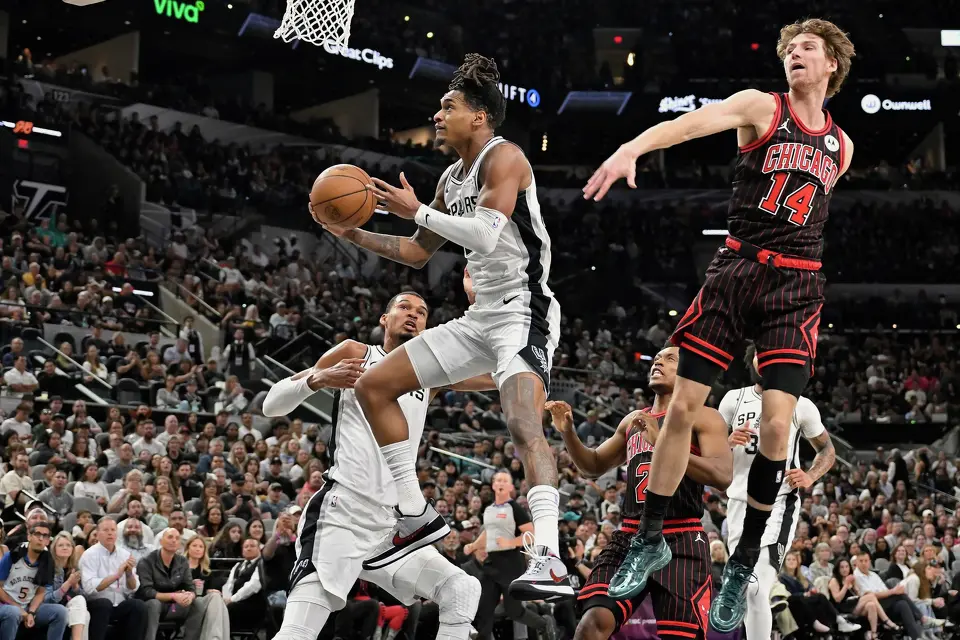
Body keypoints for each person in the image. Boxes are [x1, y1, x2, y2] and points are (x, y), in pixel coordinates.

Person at [582, 18, 856, 633]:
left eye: (806, 48)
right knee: (680, 410)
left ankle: (743, 562)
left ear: (831, 63)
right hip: (736, 271)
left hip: (797, 284)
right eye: (788, 49)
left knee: (779, 425)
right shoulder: (762, 107)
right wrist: (633, 148)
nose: (794, 56)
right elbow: (687, 124)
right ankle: (649, 537)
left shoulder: (841, 145)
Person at [331, 52, 569, 599]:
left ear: (479, 116)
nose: (437, 115)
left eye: (447, 106)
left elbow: (485, 236)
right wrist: (353, 235)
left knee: (520, 420)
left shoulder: (503, 157)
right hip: (480, 315)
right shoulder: (449, 176)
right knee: (374, 384)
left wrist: (415, 209)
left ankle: (551, 559)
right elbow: (418, 252)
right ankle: (415, 514)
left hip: (523, 310)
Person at [261, 291, 484, 640]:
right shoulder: (356, 353)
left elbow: (494, 374)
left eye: (422, 312)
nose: (413, 315)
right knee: (298, 633)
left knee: (461, 588)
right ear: (385, 318)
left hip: (389, 526)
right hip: (342, 513)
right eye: (404, 307)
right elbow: (271, 405)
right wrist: (319, 378)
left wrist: (529, 365)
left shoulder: (429, 377)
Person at [545, 344, 733, 640]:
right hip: (632, 533)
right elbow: (593, 466)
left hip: (681, 537)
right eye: (656, 359)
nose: (658, 363)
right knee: (591, 625)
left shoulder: (704, 417)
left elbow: (722, 477)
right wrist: (568, 432)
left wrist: (664, 443)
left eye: (670, 359)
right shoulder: (633, 420)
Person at [720, 344, 840, 638]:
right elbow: (706, 449)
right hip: (738, 504)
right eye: (762, 353)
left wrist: (811, 475)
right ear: (753, 362)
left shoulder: (800, 404)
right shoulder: (733, 399)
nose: (767, 359)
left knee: (755, 585)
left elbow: (827, 448)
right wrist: (725, 441)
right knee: (746, 589)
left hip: (778, 504)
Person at [461, 471, 552, 639]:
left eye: (505, 481)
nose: (501, 484)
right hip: (492, 564)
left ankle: (544, 625)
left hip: (511, 565)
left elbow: (530, 534)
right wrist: (473, 546)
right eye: (498, 481)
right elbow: (489, 532)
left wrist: (510, 543)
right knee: (485, 609)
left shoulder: (515, 508)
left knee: (514, 611)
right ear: (493, 485)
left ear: (511, 487)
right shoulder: (490, 509)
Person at [79, 518, 149, 640]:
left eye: (113, 530)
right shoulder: (89, 555)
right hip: (96, 604)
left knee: (138, 606)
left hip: (119, 604)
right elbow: (90, 587)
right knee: (104, 604)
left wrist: (128, 574)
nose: (110, 533)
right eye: (106, 530)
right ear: (98, 533)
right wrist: (116, 575)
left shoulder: (125, 555)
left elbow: (133, 588)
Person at [136, 528, 208, 640]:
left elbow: (190, 586)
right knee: (154, 604)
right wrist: (174, 596)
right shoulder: (146, 561)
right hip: (153, 606)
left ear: (180, 544)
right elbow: (147, 592)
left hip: (174, 606)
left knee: (197, 603)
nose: (173, 540)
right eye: (170, 537)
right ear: (161, 541)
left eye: (177, 538)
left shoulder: (182, 561)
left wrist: (190, 596)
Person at [0, 522, 68, 640]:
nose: (41, 538)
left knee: (61, 612)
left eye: (45, 536)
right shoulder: (13, 556)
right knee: (13, 612)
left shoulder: (48, 561)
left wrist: (31, 612)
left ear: (48, 541)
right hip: (5, 605)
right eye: (37, 534)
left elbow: (41, 592)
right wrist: (20, 609)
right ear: (29, 536)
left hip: (28, 606)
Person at [828, 558, 898, 640]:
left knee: (871, 605)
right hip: (844, 608)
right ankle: (887, 620)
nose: (845, 569)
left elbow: (858, 595)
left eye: (847, 567)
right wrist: (846, 585)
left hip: (855, 605)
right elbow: (837, 599)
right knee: (871, 595)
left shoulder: (851, 579)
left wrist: (855, 587)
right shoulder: (834, 581)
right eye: (842, 567)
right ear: (837, 569)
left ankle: (873, 634)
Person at [45, 531, 91, 640]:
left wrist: (75, 587)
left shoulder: (75, 567)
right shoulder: (49, 567)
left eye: (68, 545)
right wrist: (68, 584)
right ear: (54, 548)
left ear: (72, 548)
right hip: (53, 607)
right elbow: (47, 599)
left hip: (71, 607)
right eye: (60, 545)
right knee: (85, 615)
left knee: (85, 611)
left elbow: (84, 598)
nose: (65, 548)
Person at [221, 537, 264, 629]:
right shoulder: (237, 565)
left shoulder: (262, 564)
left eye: (252, 546)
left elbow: (253, 586)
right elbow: (229, 584)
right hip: (235, 603)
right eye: (246, 547)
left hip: (253, 605)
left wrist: (232, 599)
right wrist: (226, 599)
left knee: (228, 609)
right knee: (217, 606)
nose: (248, 548)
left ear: (259, 548)